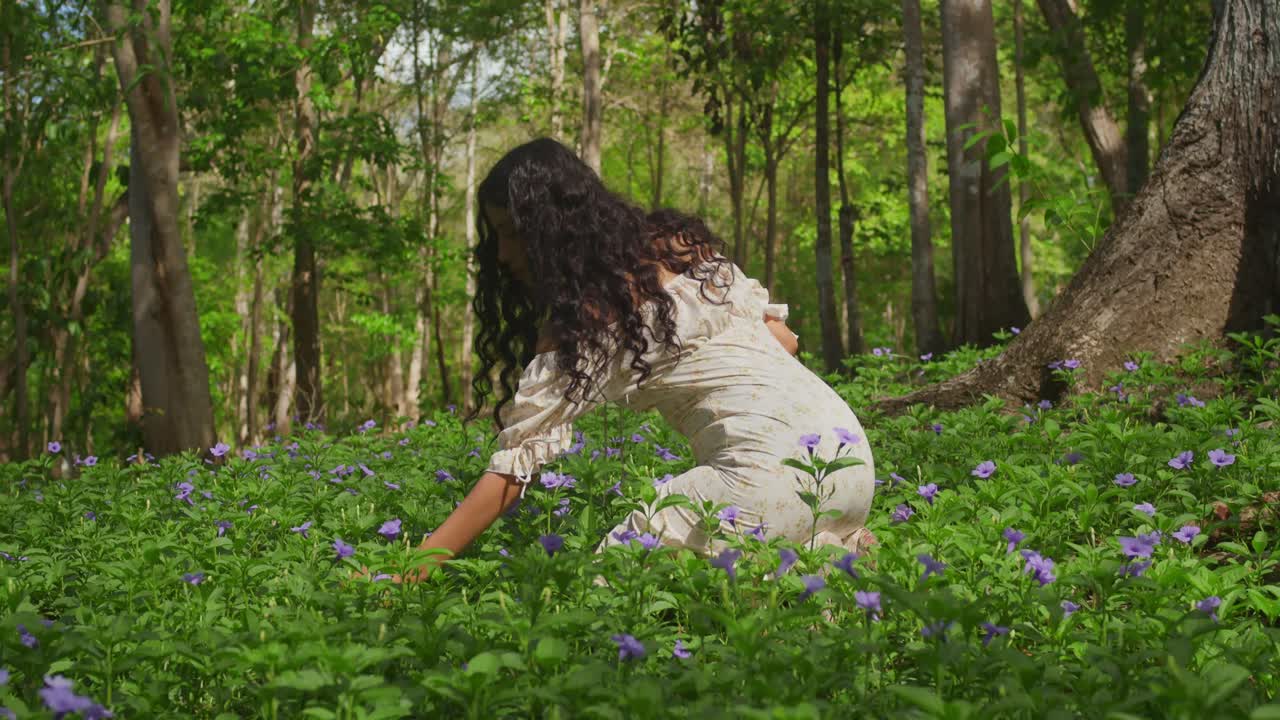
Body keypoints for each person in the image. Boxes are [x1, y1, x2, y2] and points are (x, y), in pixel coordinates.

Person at [387, 137, 876, 583]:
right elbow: (784, 341)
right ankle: (823, 562)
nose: (504, 254)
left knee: (611, 595)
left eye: (513, 234)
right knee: (761, 598)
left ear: (552, 233)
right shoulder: (681, 247)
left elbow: (511, 474)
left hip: (767, 477)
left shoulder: (587, 315)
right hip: (850, 457)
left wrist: (411, 570)